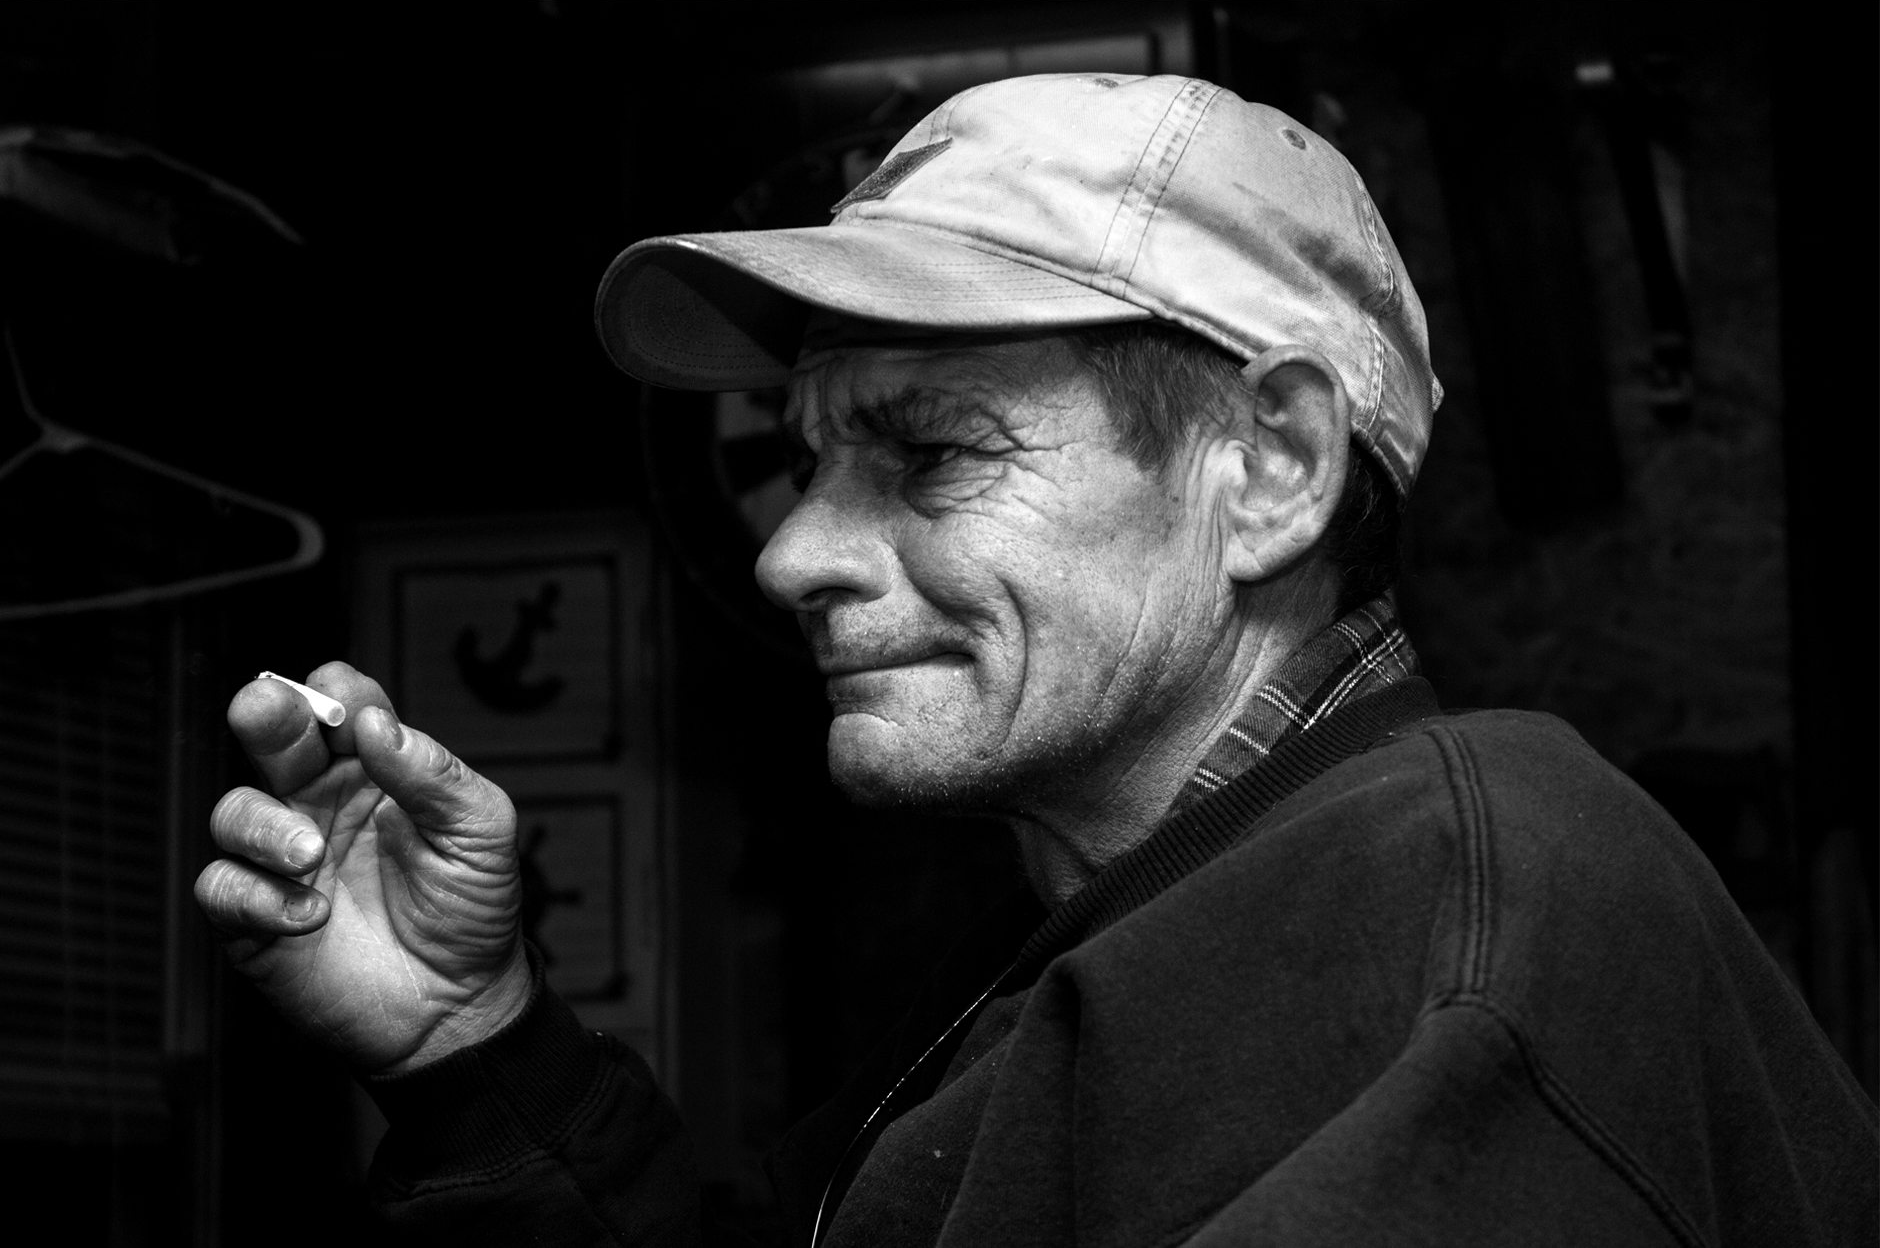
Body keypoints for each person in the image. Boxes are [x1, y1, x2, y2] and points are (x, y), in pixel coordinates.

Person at [194, 74, 1875, 1247]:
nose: (790, 553)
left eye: (929, 454)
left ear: (1271, 469)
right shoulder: (1134, 923)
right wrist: (470, 1041)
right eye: (807, 458)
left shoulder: (1440, 917)